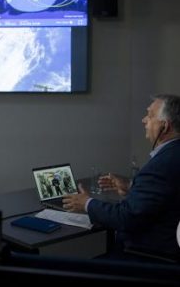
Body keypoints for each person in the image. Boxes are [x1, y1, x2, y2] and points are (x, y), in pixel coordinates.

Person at [62, 94, 180, 259]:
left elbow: (126, 218)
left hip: (146, 255)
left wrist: (87, 203)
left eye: (150, 115)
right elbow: (167, 197)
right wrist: (131, 188)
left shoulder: (161, 165)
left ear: (164, 126)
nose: (144, 120)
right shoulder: (173, 155)